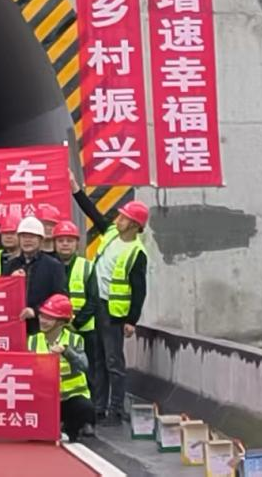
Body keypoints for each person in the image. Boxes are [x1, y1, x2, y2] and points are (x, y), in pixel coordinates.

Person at [70, 173, 149, 425]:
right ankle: (99, 407)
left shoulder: (136, 252)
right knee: (98, 359)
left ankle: (116, 409)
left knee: (114, 362)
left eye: (124, 217)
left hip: (114, 312)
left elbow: (139, 289)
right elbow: (92, 212)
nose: (119, 219)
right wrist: (75, 190)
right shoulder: (112, 233)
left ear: (135, 224)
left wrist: (132, 320)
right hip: (97, 304)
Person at [28, 293, 95, 442]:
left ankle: (71, 429)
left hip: (68, 399)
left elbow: (84, 365)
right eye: (42, 316)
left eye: (49, 318)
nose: (42, 320)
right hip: (43, 399)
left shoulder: (75, 340)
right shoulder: (32, 341)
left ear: (61, 322)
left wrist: (67, 352)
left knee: (85, 408)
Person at [52, 219, 101, 405]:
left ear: (77, 244)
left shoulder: (87, 266)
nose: (65, 244)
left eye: (69, 240)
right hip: (55, 330)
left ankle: (90, 412)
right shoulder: (48, 266)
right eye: (61, 240)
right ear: (54, 243)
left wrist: (75, 323)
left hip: (83, 331)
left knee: (87, 371)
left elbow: (93, 300)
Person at [4, 217, 68, 335]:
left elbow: (60, 298)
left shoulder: (54, 266)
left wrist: (36, 311)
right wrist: (10, 281)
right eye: (24, 236)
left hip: (42, 328)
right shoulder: (10, 266)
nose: (27, 240)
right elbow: (1, 296)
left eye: (32, 237)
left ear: (41, 240)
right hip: (15, 326)